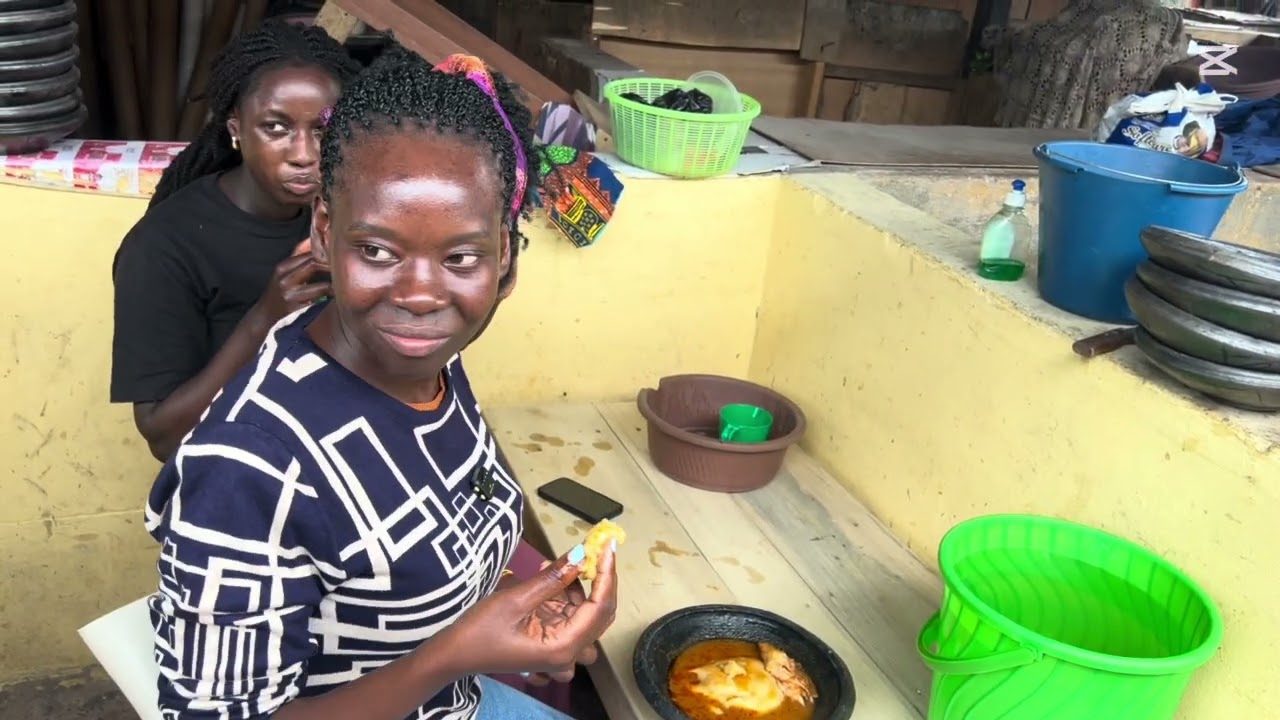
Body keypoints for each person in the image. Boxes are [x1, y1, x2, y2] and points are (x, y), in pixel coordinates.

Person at [143, 46, 618, 720]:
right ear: (324, 230)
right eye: (377, 250)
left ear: (504, 256)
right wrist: (456, 654)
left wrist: (538, 588)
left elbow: (451, 507)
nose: (421, 294)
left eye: (460, 256)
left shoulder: (428, 363)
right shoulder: (250, 467)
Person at [111, 20, 360, 462]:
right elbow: (164, 437)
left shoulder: (352, 213)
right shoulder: (165, 246)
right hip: (237, 484)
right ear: (236, 129)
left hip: (345, 461)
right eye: (276, 128)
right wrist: (264, 318)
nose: (304, 154)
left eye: (323, 130)